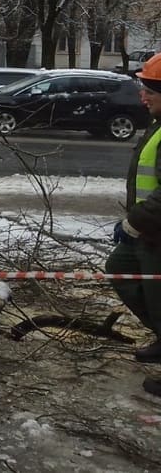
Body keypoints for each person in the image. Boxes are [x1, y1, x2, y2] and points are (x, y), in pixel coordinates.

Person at [108, 52, 161, 395]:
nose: (142, 97)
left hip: (154, 232)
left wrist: (134, 222)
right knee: (121, 268)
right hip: (151, 232)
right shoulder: (158, 125)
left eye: (150, 92)